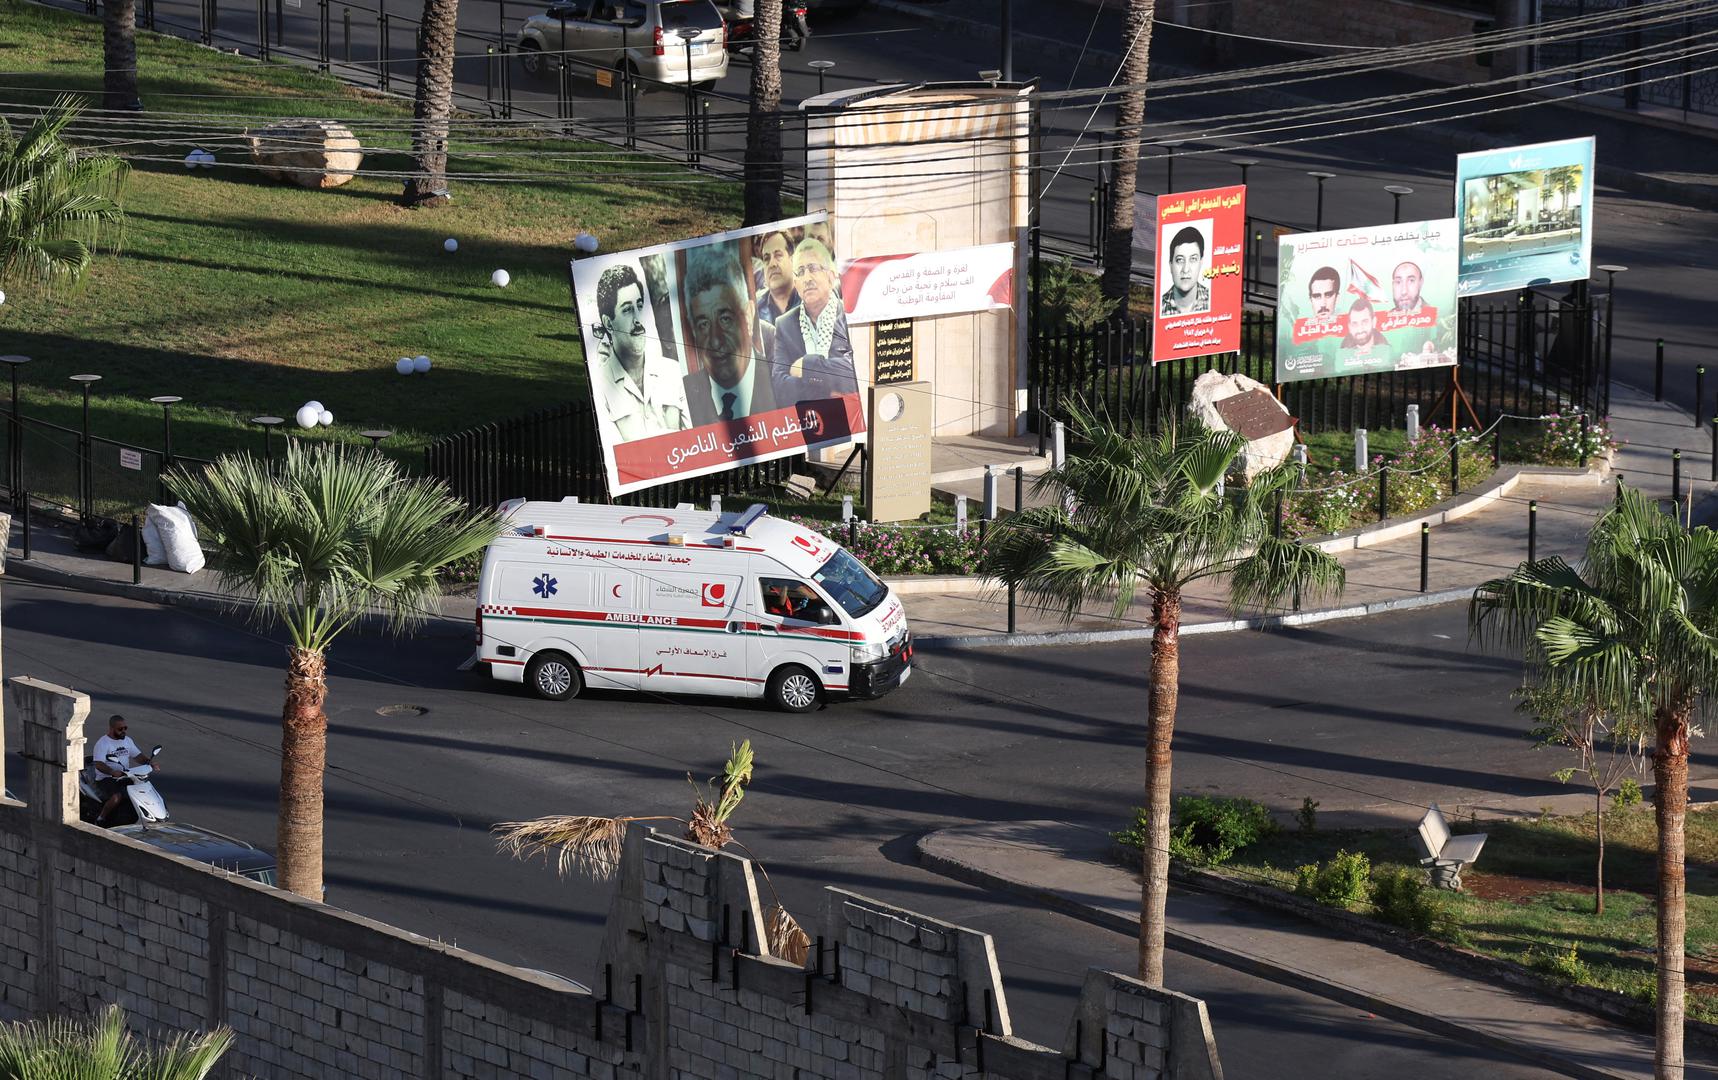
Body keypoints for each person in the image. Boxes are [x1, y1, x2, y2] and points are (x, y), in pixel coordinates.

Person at [681, 245, 778, 426]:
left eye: (725, 319)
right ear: (693, 330)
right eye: (703, 324)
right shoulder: (682, 396)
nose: (716, 340)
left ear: (748, 316)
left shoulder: (780, 382)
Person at [592, 263, 689, 442]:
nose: (638, 320)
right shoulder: (600, 385)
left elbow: (695, 440)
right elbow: (616, 454)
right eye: (628, 310)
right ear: (608, 323)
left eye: (639, 306)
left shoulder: (672, 372)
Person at [771, 238, 858, 406]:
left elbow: (856, 371)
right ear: (795, 284)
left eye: (813, 268)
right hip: (807, 420)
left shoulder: (849, 316)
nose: (807, 278)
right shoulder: (784, 325)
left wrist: (807, 365)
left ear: (831, 277)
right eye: (801, 271)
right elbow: (780, 387)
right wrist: (828, 389)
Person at [89, 714, 155, 826]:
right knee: (117, 796)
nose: (123, 731)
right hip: (106, 778)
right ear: (111, 728)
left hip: (125, 775)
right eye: (120, 729)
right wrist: (112, 772)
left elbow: (138, 756)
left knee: (142, 790)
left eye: (125, 728)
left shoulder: (127, 741)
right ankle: (101, 819)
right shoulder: (103, 743)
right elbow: (99, 764)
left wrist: (149, 762)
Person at [1159, 226, 1210, 316]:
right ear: (1170, 265)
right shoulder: (1160, 305)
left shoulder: (1213, 301)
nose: (1185, 269)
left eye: (1193, 259)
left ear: (1201, 263)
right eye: (1180, 260)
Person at [754, 231, 799, 329]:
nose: (772, 264)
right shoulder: (754, 310)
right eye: (766, 259)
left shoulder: (810, 297)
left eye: (778, 255)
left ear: (792, 260)